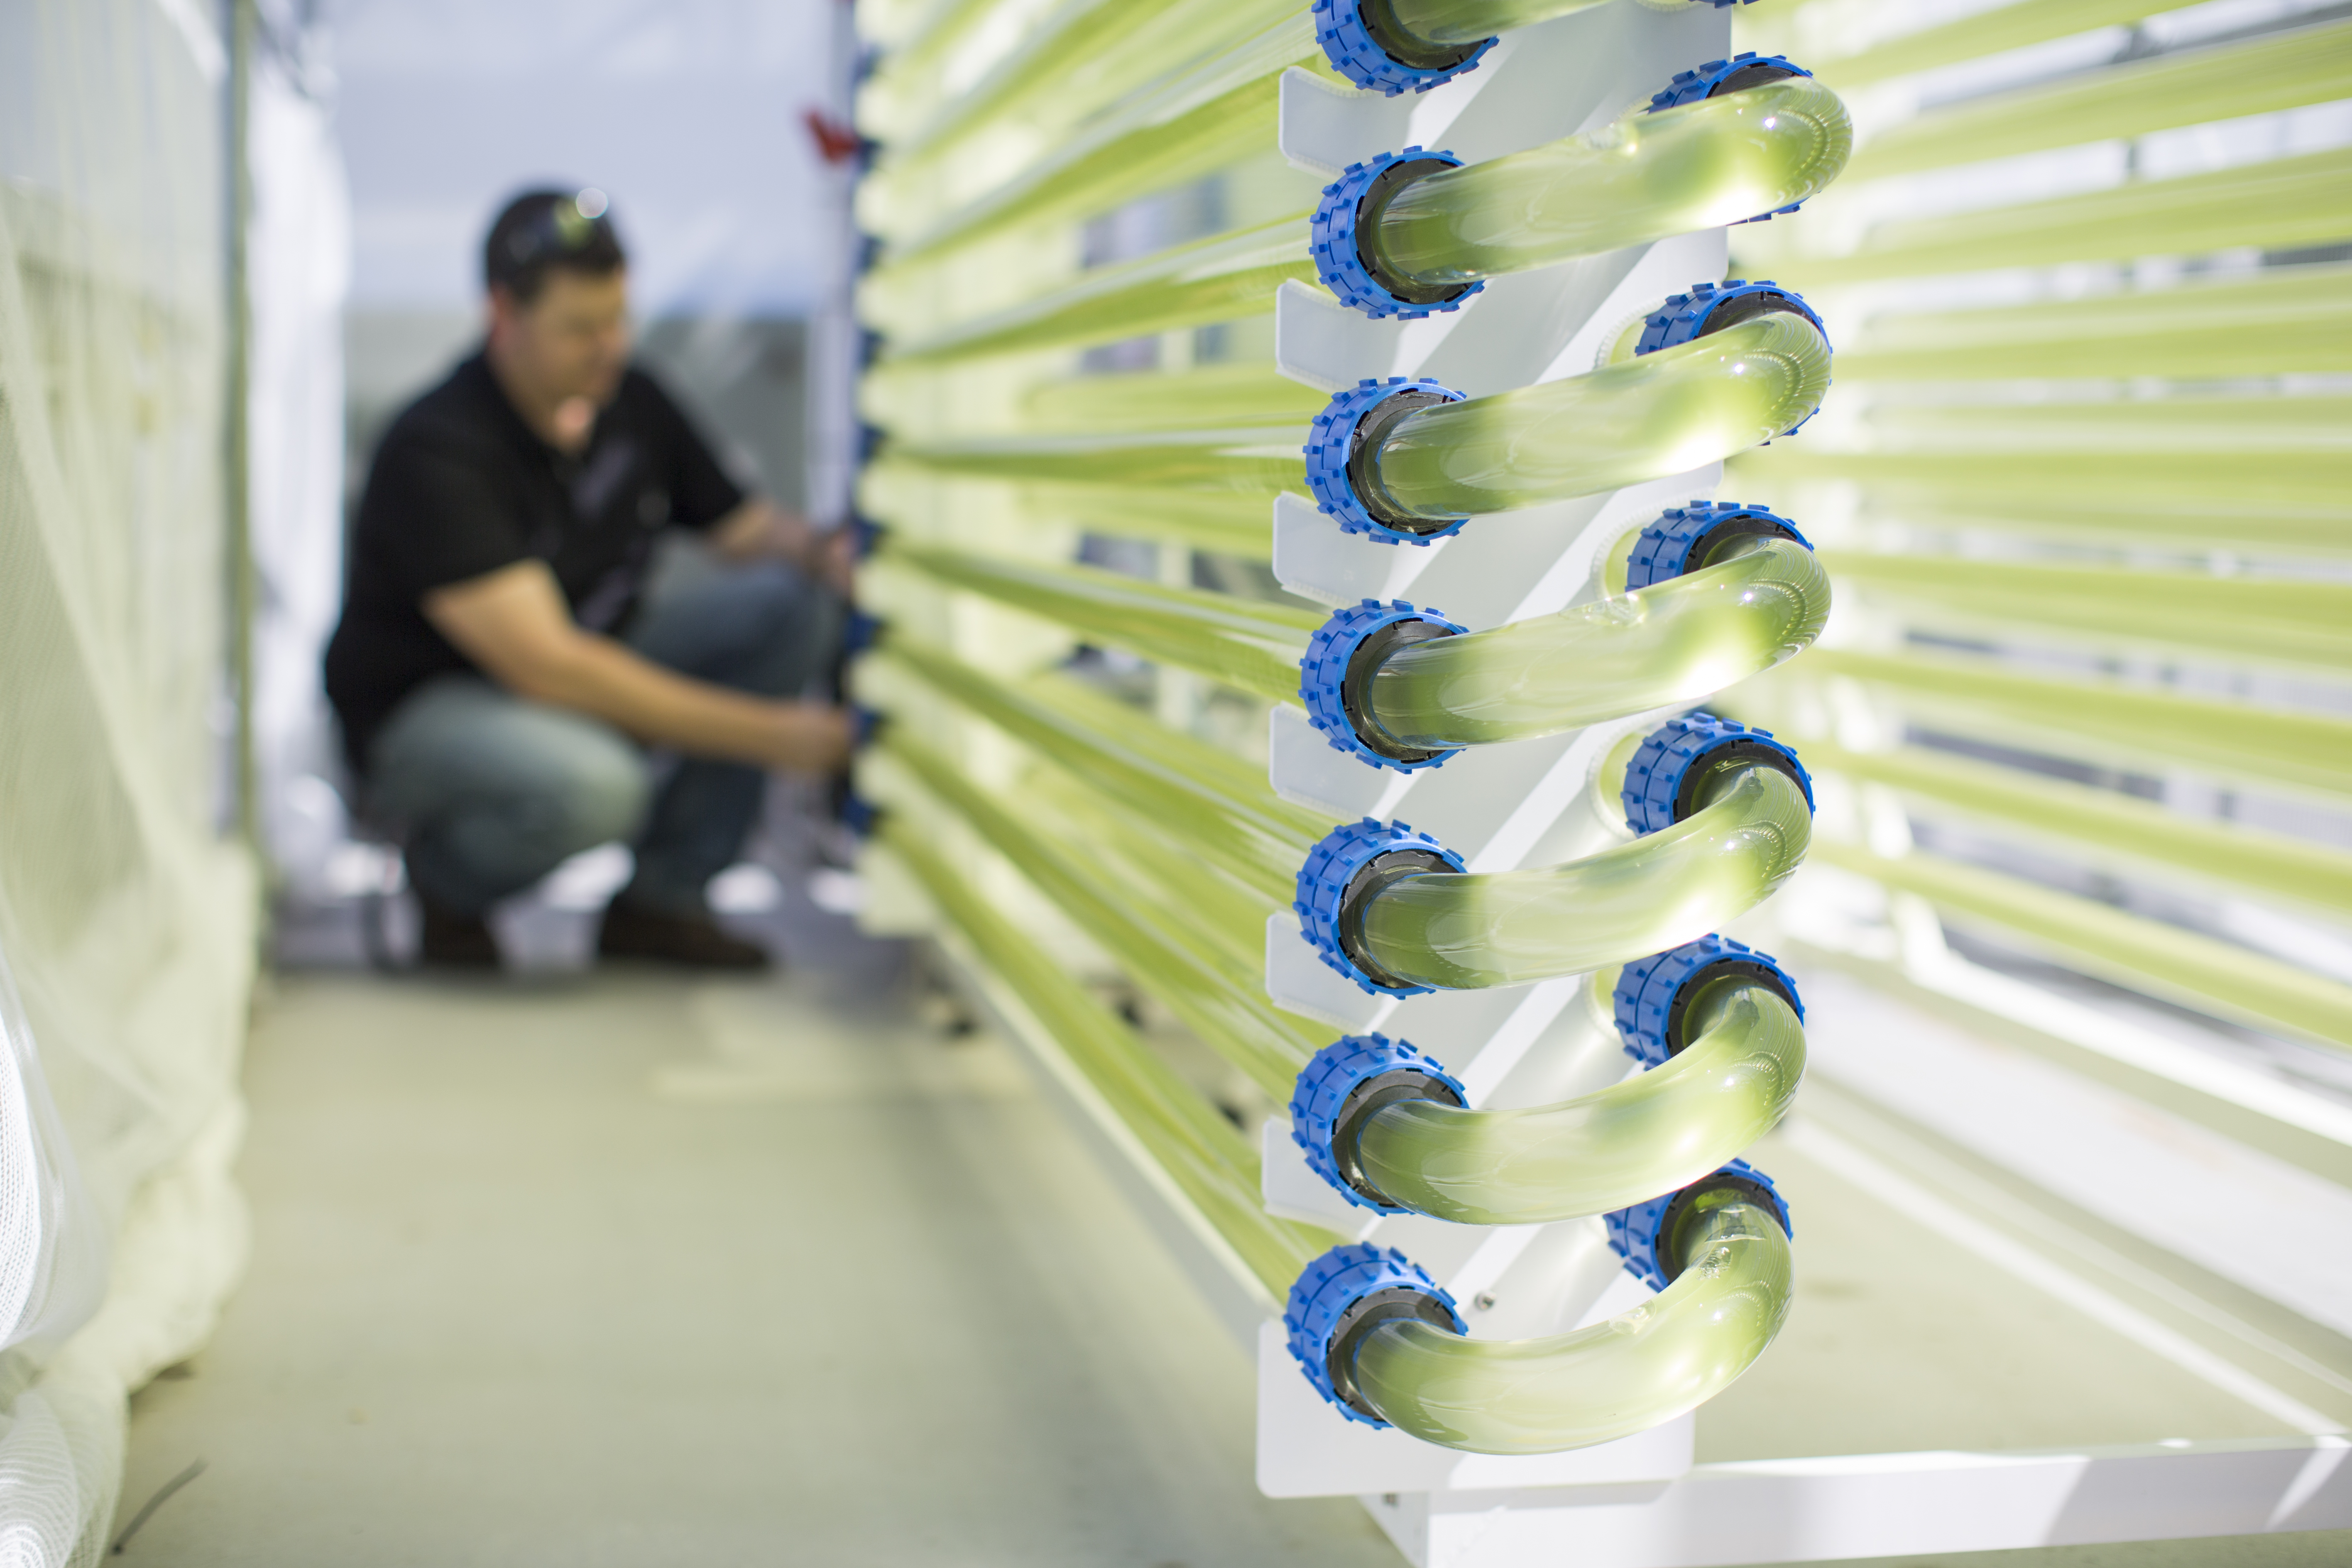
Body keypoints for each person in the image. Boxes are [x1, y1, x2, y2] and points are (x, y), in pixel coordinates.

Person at [324, 188, 853, 972]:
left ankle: (661, 903)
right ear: (503, 313)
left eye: (618, 321)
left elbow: (744, 530)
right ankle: (445, 886)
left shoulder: (627, 400)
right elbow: (549, 665)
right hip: (433, 708)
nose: (608, 347)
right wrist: (783, 739)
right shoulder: (437, 449)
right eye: (579, 329)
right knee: (598, 787)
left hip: (576, 661)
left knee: (788, 610)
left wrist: (827, 551)